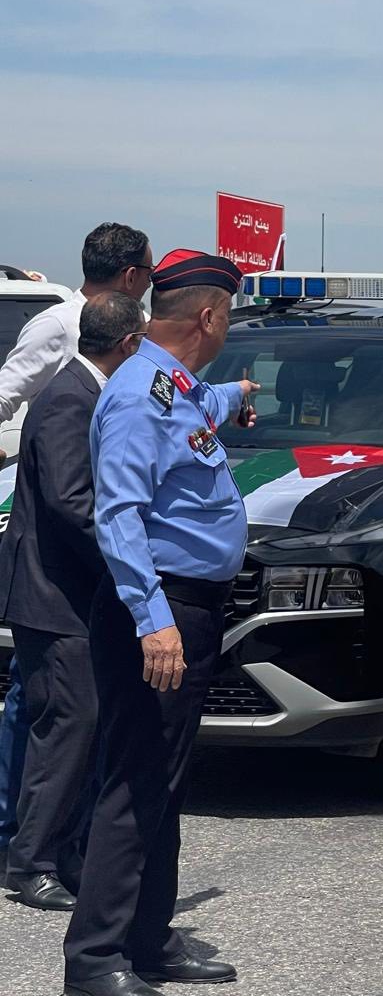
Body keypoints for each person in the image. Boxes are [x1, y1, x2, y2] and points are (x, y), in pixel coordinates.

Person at [63, 250, 258, 996]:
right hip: (159, 609)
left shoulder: (172, 382)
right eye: (227, 317)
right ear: (209, 317)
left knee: (164, 781)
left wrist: (238, 393)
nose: (227, 330)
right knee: (134, 780)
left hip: (189, 606)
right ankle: (95, 959)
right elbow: (117, 513)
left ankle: (149, 939)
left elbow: (201, 407)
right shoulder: (141, 395)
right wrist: (154, 621)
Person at [0, 222, 152, 879]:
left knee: (72, 720)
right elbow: (70, 502)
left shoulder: (89, 391)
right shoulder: (70, 399)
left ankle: (58, 850)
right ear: (127, 343)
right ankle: (30, 862)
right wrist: (132, 561)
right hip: (52, 592)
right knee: (66, 722)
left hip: (67, 594)